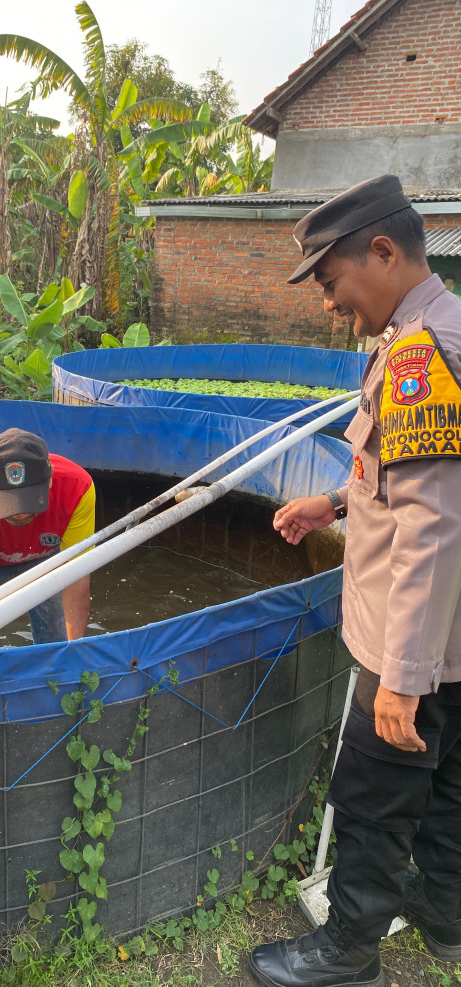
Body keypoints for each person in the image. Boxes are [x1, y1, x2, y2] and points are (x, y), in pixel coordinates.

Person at [249, 174, 461, 987]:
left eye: (332, 281)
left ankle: (346, 953)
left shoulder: (417, 359)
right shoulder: (446, 328)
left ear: (382, 252)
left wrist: (400, 680)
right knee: (448, 787)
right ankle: (445, 918)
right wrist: (336, 498)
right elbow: (422, 482)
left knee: (374, 795)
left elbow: (431, 524)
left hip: (416, 639)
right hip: (453, 633)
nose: (330, 304)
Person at [0, 428, 95, 647]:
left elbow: (77, 573)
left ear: (50, 479)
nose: (20, 513)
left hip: (48, 559)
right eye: (8, 503)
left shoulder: (78, 488)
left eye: (30, 500)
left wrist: (74, 651)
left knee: (59, 642)